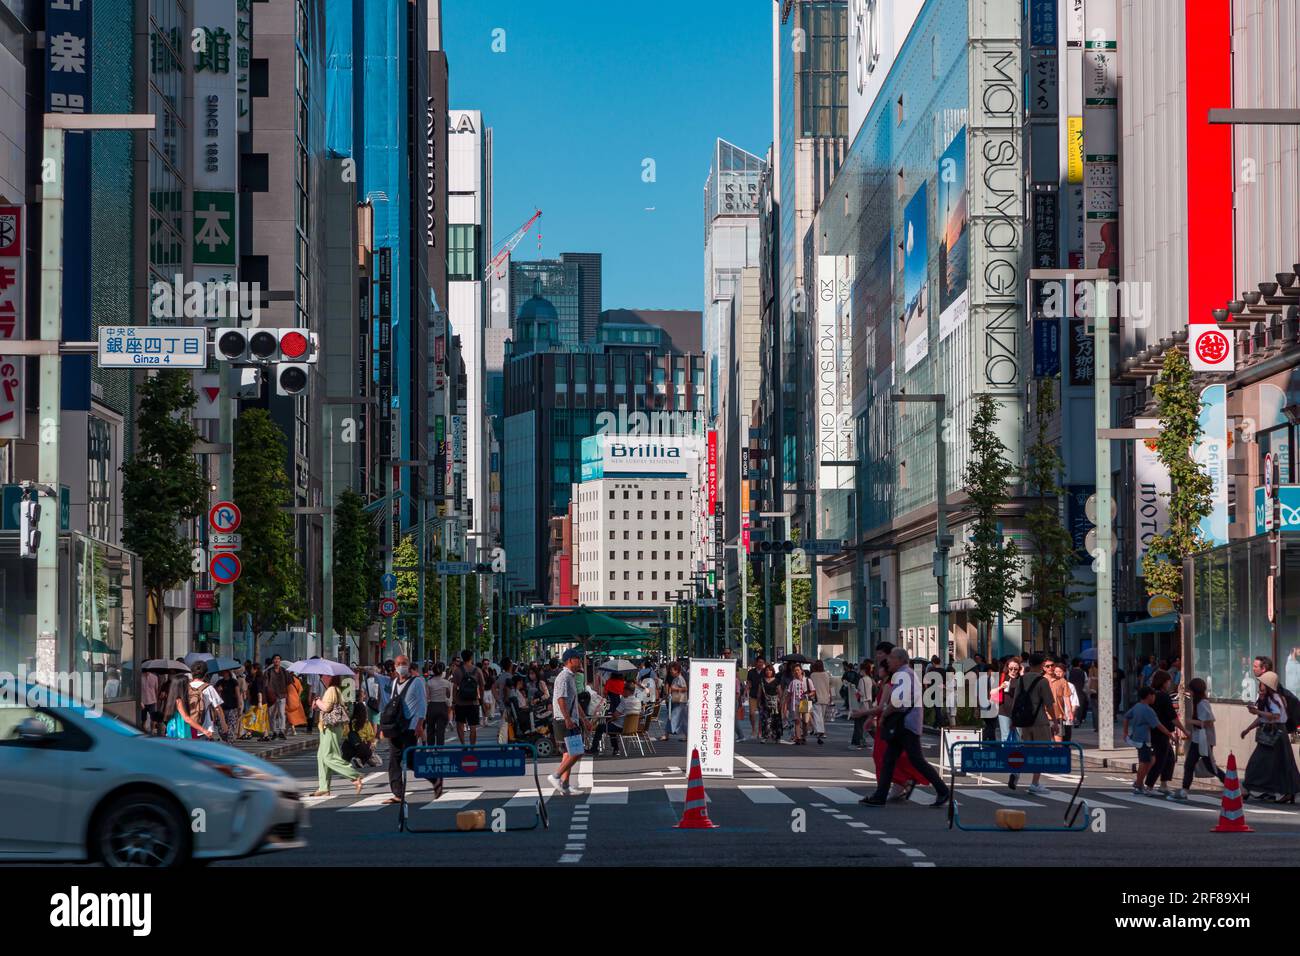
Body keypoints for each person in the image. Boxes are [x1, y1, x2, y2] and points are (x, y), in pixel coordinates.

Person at [861, 648, 950, 807]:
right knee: (890, 760)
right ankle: (880, 795)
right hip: (906, 723)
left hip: (905, 724)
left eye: (891, 657)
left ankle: (943, 790)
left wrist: (885, 716)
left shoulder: (903, 674)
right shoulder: (906, 673)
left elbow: (897, 702)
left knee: (916, 760)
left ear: (901, 660)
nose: (888, 661)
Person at [1242, 671, 1300, 803]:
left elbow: (1276, 716)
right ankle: (1287, 792)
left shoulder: (1274, 698)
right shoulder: (1268, 698)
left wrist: (1256, 711)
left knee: (1259, 762)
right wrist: (1247, 729)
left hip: (1275, 734)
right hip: (1273, 734)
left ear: (1267, 685)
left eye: (1262, 683)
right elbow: (1263, 718)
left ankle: (1247, 788)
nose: (1259, 685)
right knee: (1281, 764)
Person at [379, 655, 426, 805]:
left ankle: (434, 776)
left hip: (411, 727)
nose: (401, 666)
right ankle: (398, 793)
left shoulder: (417, 682)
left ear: (409, 665)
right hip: (396, 727)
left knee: (411, 760)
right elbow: (391, 705)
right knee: (394, 759)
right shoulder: (393, 683)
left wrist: (420, 724)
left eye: (404, 663)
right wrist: (384, 727)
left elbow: (422, 704)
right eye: (398, 664)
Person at [310, 675, 365, 797]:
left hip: (331, 728)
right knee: (321, 756)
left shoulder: (331, 690)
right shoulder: (336, 690)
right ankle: (324, 787)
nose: (322, 678)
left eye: (324, 676)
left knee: (329, 756)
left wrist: (318, 701)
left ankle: (354, 776)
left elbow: (327, 707)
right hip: (329, 727)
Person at [1010, 652, 1057, 795]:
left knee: (1026, 749)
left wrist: (1013, 720)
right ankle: (1035, 783)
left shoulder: (1021, 680)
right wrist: (1054, 721)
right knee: (1040, 752)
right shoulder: (1043, 681)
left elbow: (1016, 701)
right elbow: (1049, 704)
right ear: (1042, 665)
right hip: (1039, 721)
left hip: (1024, 722)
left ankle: (1016, 771)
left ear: (1029, 664)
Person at [1171, 677, 1225, 800]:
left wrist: (1191, 721)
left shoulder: (1202, 703)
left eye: (1191, 690)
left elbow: (1209, 721)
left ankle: (1233, 786)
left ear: (1195, 691)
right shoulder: (1198, 702)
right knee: (1189, 764)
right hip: (1198, 738)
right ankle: (1184, 790)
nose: (1189, 693)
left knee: (1210, 766)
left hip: (1204, 739)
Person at [548, 648, 592, 795]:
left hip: (570, 719)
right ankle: (556, 776)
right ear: (569, 660)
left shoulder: (571, 677)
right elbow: (560, 699)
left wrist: (584, 719)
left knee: (569, 753)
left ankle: (565, 785)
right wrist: (567, 718)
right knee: (577, 751)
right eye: (577, 658)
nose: (580, 661)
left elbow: (575, 701)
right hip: (563, 720)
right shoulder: (564, 677)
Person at [1144, 670, 1186, 796]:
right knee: (1161, 759)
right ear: (1163, 682)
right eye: (1168, 681)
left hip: (1155, 730)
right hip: (1162, 731)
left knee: (1169, 758)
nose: (1169, 684)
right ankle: (1149, 786)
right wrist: (1184, 730)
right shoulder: (1163, 696)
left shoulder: (1152, 695)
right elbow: (1173, 717)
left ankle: (1163, 784)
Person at [1122, 685, 1168, 795]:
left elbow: (1126, 717)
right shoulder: (1148, 710)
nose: (1154, 698)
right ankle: (1138, 784)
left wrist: (1125, 732)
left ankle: (1139, 782)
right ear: (1149, 696)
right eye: (1153, 696)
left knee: (1150, 760)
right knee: (1145, 762)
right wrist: (1169, 734)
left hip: (1137, 738)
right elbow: (1158, 725)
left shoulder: (1137, 706)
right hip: (1143, 739)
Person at [161, 672, 211, 740]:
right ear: (182, 686)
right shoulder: (179, 700)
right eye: (188, 683)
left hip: (176, 726)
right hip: (180, 728)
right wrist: (203, 730)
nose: (189, 685)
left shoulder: (174, 698)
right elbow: (186, 718)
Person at [451, 649, 483, 744]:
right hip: (474, 702)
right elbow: (482, 686)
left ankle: (463, 745)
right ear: (471, 658)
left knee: (460, 724)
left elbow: (454, 687)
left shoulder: (457, 671)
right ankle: (472, 747)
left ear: (462, 658)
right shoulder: (477, 670)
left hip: (460, 702)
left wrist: (454, 701)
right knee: (473, 726)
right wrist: (480, 698)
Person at [1049, 661, 1078, 743]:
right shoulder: (1049, 682)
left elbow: (1074, 701)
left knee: (1065, 740)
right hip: (1055, 715)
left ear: (1064, 673)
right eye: (1056, 671)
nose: (1058, 673)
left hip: (1066, 717)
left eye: (1060, 671)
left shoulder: (1069, 685)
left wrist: (1071, 713)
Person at [785, 663, 814, 745]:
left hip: (805, 702)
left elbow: (813, 691)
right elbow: (789, 694)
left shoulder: (808, 680)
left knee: (805, 721)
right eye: (795, 671)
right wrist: (786, 705)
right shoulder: (792, 682)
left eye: (798, 670)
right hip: (796, 703)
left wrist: (808, 695)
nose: (796, 672)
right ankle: (798, 737)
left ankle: (804, 735)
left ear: (801, 671)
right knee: (797, 720)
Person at [425, 662, 453, 746]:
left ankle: (430, 747)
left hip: (432, 705)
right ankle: (440, 748)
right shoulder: (446, 683)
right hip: (442, 706)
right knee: (441, 730)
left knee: (430, 729)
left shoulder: (429, 682)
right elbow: (448, 695)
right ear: (442, 672)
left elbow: (427, 696)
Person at [264, 655, 291, 740]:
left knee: (281, 713)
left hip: (282, 695)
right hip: (271, 696)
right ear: (272, 661)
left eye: (278, 659)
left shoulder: (284, 671)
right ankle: (274, 731)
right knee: (271, 715)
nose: (276, 660)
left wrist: (288, 695)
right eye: (275, 659)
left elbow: (289, 683)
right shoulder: (268, 672)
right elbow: (265, 684)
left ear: (280, 661)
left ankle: (282, 731)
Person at [848, 661, 874, 749]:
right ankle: (858, 741)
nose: (859, 671)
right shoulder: (870, 679)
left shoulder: (862, 680)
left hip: (862, 704)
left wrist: (854, 690)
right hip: (868, 703)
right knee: (864, 724)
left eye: (860, 669)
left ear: (863, 670)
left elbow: (862, 693)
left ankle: (858, 742)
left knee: (859, 724)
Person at [660, 661, 688, 740]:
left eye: (672, 670)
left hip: (680, 702)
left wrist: (675, 689)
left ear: (677, 670)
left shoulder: (680, 679)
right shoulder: (676, 678)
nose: (671, 672)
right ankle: (685, 736)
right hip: (677, 701)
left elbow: (685, 689)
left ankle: (667, 734)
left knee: (672, 717)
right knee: (682, 719)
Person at [216, 669, 242, 744]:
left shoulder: (234, 682)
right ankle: (226, 739)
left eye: (224, 672)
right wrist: (219, 690)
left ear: (228, 672)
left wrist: (239, 706)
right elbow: (216, 696)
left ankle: (229, 742)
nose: (223, 673)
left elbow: (237, 694)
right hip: (222, 708)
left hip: (232, 707)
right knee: (221, 728)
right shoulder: (219, 682)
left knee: (231, 725)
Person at [809, 660, 831, 745]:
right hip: (825, 697)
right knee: (822, 715)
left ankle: (819, 731)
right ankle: (822, 731)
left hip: (816, 697)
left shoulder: (812, 675)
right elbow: (829, 687)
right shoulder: (826, 674)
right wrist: (831, 697)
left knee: (817, 715)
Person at [140, 668, 161, 735]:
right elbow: (138, 690)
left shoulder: (154, 677)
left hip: (152, 700)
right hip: (143, 701)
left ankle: (152, 731)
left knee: (153, 717)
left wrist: (157, 701)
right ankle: (143, 731)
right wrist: (140, 701)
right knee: (143, 718)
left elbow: (156, 690)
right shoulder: (140, 677)